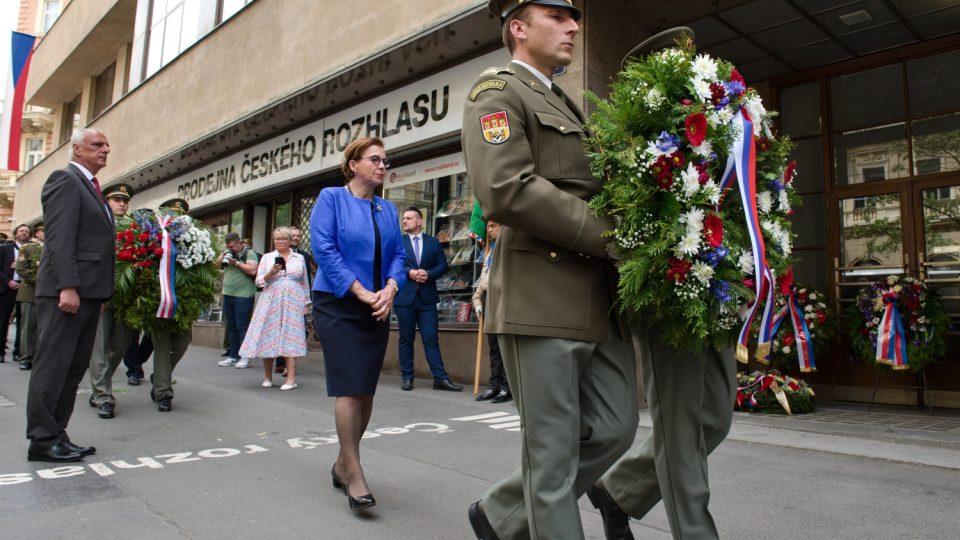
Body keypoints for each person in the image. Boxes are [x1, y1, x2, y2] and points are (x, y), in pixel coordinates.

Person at [462, 2, 639, 538]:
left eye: (575, 17)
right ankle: (527, 512)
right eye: (558, 16)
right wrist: (612, 236)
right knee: (552, 454)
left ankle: (501, 513)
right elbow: (505, 189)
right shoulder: (495, 91)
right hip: (539, 294)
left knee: (615, 427)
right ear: (518, 27)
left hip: (594, 296)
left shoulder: (565, 101)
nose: (574, 26)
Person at [585, 30, 739, 540]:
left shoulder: (715, 133)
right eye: (677, 65)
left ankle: (619, 492)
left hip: (711, 287)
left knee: (714, 417)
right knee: (678, 428)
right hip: (664, 293)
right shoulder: (627, 139)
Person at [310, 137, 405, 511]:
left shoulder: (388, 209)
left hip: (377, 304)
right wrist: (362, 292)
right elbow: (325, 249)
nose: (382, 166)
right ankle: (355, 471)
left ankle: (340, 463)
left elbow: (398, 254)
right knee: (349, 387)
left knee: (365, 391)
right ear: (353, 164)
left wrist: (391, 288)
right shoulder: (331, 198)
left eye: (385, 161)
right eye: (375, 159)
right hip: (337, 301)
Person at [25, 128, 115, 463]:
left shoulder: (91, 186)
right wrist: (68, 286)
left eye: (106, 145)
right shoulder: (64, 180)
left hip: (89, 293)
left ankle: (56, 434)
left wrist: (98, 291)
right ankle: (42, 439)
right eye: (97, 145)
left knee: (72, 368)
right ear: (77, 149)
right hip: (68, 292)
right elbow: (60, 239)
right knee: (54, 366)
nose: (105, 149)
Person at [394, 207, 463, 392]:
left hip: (427, 300)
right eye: (404, 218)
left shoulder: (433, 242)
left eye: (409, 218)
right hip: (405, 298)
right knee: (405, 339)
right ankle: (407, 377)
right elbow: (393, 265)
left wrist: (428, 274)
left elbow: (443, 265)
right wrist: (410, 272)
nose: (405, 221)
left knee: (431, 339)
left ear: (419, 221)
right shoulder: (398, 242)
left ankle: (440, 379)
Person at [239, 226, 311, 390]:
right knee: (268, 335)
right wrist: (269, 273)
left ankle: (291, 379)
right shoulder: (267, 257)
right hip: (271, 300)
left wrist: (306, 303)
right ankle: (267, 376)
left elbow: (305, 282)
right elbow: (258, 282)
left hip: (293, 301)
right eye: (277, 239)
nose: (280, 241)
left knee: (291, 336)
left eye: (283, 238)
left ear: (290, 240)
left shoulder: (299, 258)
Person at [86, 183, 136, 420]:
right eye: (117, 200)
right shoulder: (97, 224)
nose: (122, 203)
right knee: (100, 347)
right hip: (100, 295)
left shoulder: (135, 229)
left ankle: (99, 386)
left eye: (125, 200)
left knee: (120, 345)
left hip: (125, 297)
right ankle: (104, 396)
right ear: (106, 201)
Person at [149, 198, 195, 413]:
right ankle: (163, 393)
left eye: (181, 215)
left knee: (183, 342)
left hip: (184, 299)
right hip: (159, 299)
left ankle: (160, 375)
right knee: (162, 344)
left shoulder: (194, 237)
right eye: (173, 214)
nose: (177, 219)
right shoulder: (155, 236)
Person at [471, 220, 510, 403]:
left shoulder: (508, 250)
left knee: (505, 346)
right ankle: (494, 385)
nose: (489, 229)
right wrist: (477, 298)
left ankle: (507, 387)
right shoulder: (491, 251)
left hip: (502, 298)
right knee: (494, 346)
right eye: (488, 225)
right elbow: (484, 278)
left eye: (493, 225)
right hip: (488, 299)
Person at [217, 231, 259, 368]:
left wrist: (237, 263)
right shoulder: (227, 252)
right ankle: (233, 356)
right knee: (231, 326)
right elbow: (216, 265)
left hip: (243, 295)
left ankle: (245, 356)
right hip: (228, 293)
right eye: (228, 247)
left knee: (242, 326)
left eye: (232, 247)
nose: (231, 249)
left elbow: (253, 270)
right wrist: (222, 257)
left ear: (239, 243)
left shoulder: (249, 253)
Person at [0, 224, 31, 362]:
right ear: (16, 233)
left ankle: (18, 351)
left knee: (22, 322)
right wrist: (8, 281)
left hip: (24, 288)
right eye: (21, 231)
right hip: (7, 288)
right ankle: (0, 351)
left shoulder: (32, 250)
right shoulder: (5, 249)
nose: (23, 233)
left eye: (26, 231)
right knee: (3, 320)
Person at [15, 223, 43, 370]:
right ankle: (25, 357)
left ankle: (38, 356)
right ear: (37, 233)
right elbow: (21, 268)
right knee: (28, 327)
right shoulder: (28, 248)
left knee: (43, 327)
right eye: (43, 231)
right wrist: (40, 280)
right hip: (30, 291)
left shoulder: (52, 247)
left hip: (48, 294)